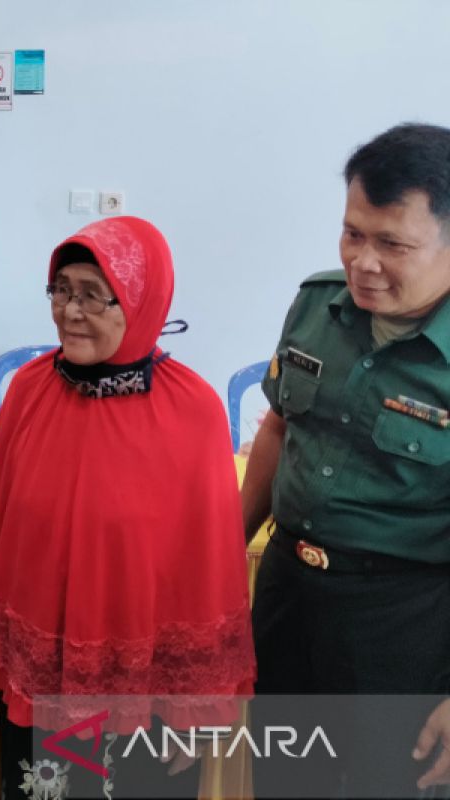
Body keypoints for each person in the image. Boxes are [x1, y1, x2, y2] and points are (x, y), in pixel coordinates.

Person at [0, 216, 255, 799]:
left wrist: (196, 711)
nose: (70, 311)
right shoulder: (30, 390)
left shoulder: (193, 410)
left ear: (142, 301)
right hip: (37, 682)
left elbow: (211, 571)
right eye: (61, 290)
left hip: (148, 696)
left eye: (93, 294)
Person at [243, 122, 450, 797]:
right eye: (353, 233)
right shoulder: (315, 306)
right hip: (289, 593)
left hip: (404, 622)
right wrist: (223, 553)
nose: (364, 261)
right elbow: (277, 428)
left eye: (392, 243)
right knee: (283, 778)